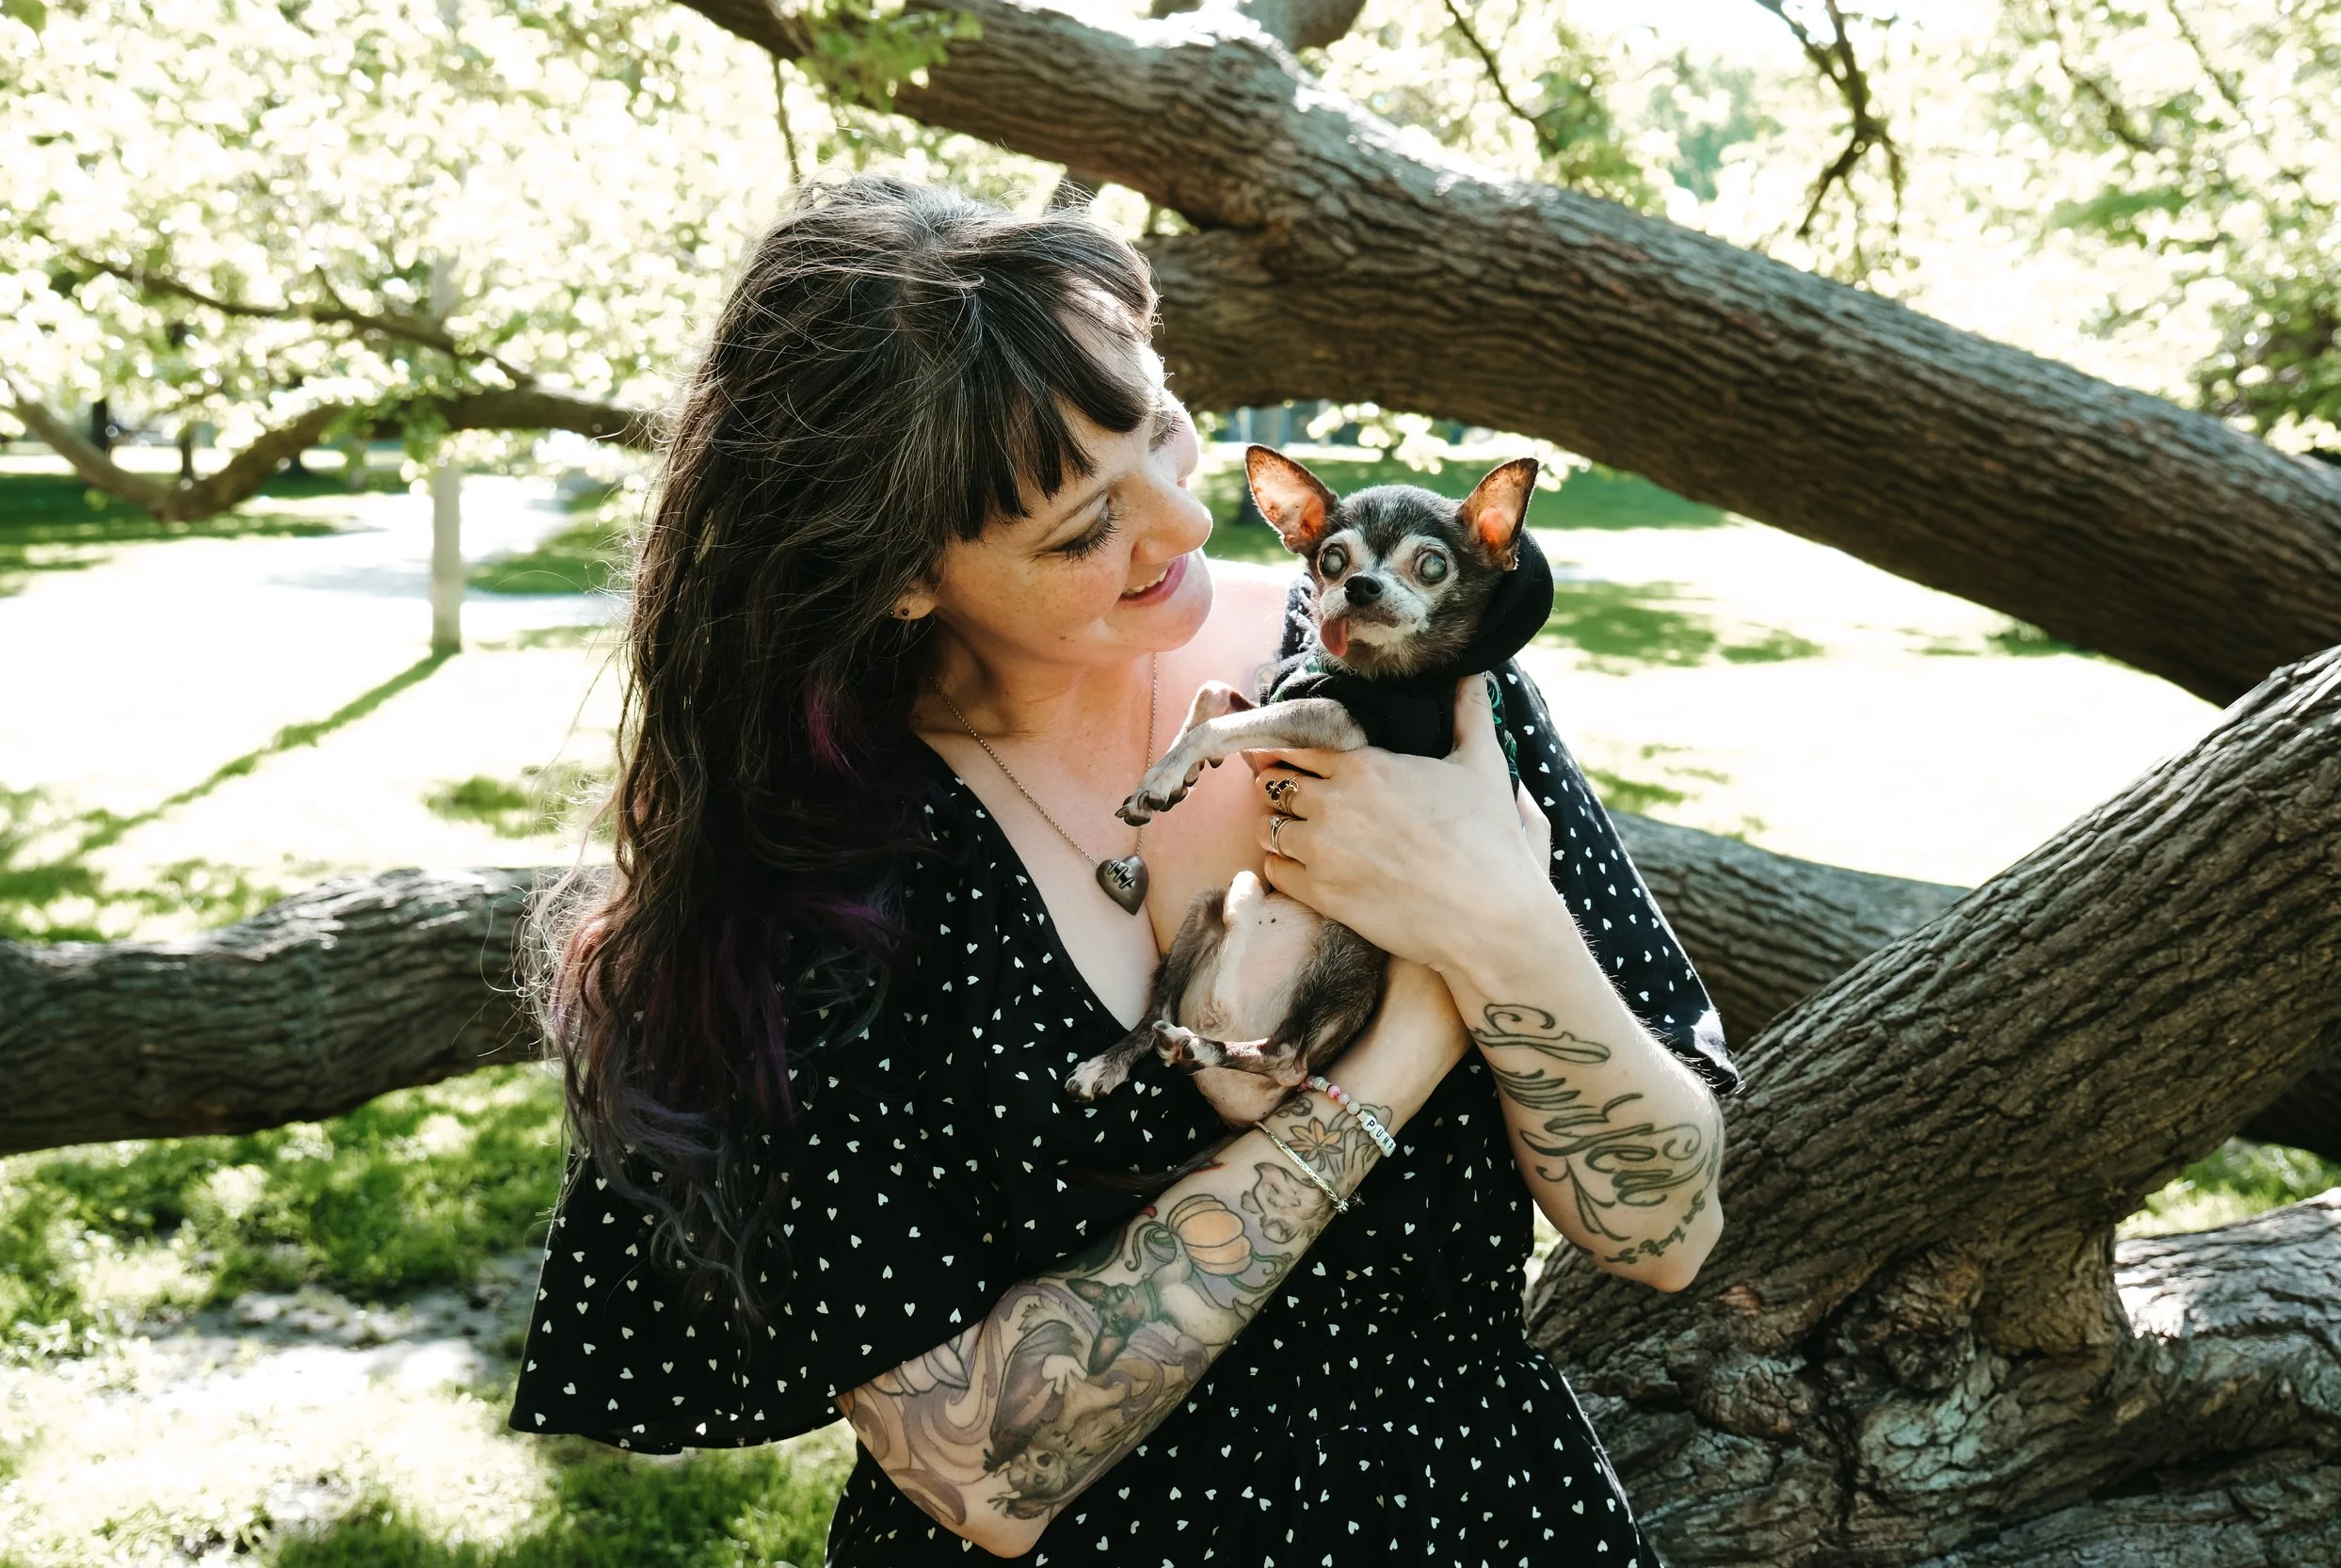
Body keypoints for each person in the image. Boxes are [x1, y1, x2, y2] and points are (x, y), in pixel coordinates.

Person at [507, 174, 1744, 1565]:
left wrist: (1504, 921)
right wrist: (1405, 1043)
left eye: (1165, 430)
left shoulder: (1404, 670)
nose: (1184, 526)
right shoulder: (824, 868)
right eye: (1085, 528)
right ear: (903, 575)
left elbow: (1665, 1226)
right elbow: (974, 1458)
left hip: (1479, 1517)